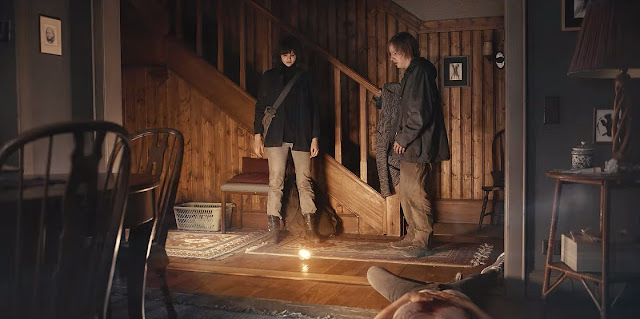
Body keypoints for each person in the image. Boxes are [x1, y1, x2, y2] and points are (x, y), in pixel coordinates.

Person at [387, 32, 450, 257]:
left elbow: (419, 112)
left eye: (395, 52)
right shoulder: (412, 73)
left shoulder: (420, 72)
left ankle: (422, 239)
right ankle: (413, 235)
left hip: (417, 144)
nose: (392, 57)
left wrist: (403, 138)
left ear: (406, 49)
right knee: (406, 192)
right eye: (390, 54)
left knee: (415, 191)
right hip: (412, 144)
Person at [253, 35, 320, 245]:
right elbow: (260, 106)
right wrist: (257, 135)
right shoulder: (269, 76)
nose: (289, 58)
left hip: (302, 135)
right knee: (276, 181)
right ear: (279, 55)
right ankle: (273, 229)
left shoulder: (305, 77)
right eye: (285, 55)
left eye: (292, 54)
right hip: (275, 135)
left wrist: (315, 137)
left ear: (297, 55)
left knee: (304, 182)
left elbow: (314, 109)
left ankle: (311, 229)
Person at [368, 252, 504, 319]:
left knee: (373, 273)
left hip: (414, 293)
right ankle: (491, 272)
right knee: (487, 276)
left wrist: (407, 297)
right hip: (455, 293)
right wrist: (468, 305)